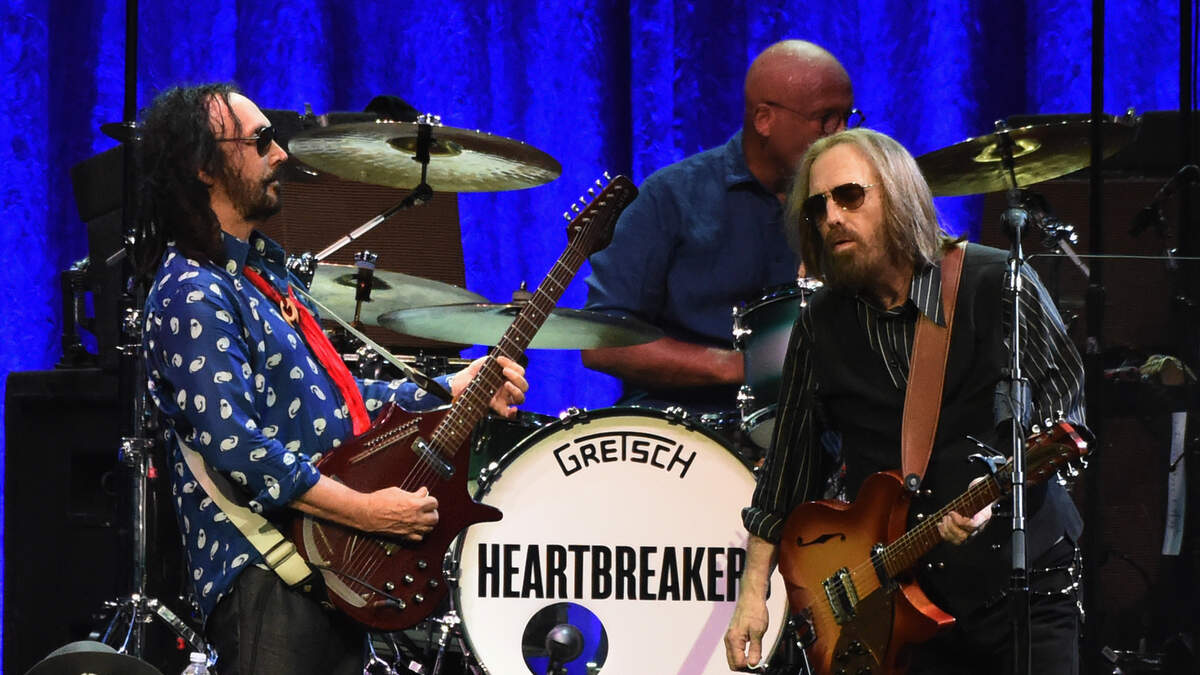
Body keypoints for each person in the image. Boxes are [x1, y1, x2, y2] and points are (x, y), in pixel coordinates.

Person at [137, 83, 529, 675]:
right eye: (261, 141)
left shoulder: (260, 274)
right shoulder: (195, 290)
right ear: (204, 166)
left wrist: (449, 389)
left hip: (323, 568)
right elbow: (237, 446)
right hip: (266, 573)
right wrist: (365, 512)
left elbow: (335, 396)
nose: (281, 155)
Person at [724, 128, 1086, 674]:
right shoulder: (821, 324)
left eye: (849, 196)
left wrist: (999, 491)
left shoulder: (998, 283)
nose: (831, 217)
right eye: (817, 208)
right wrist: (753, 591)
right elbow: (789, 467)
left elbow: (1065, 417)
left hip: (1022, 588)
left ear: (898, 196)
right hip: (900, 604)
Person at [582, 40, 858, 416]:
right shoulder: (671, 196)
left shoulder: (846, 201)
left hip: (815, 418)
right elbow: (601, 343)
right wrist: (744, 368)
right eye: (826, 119)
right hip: (684, 423)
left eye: (847, 117)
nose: (840, 134)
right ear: (764, 119)